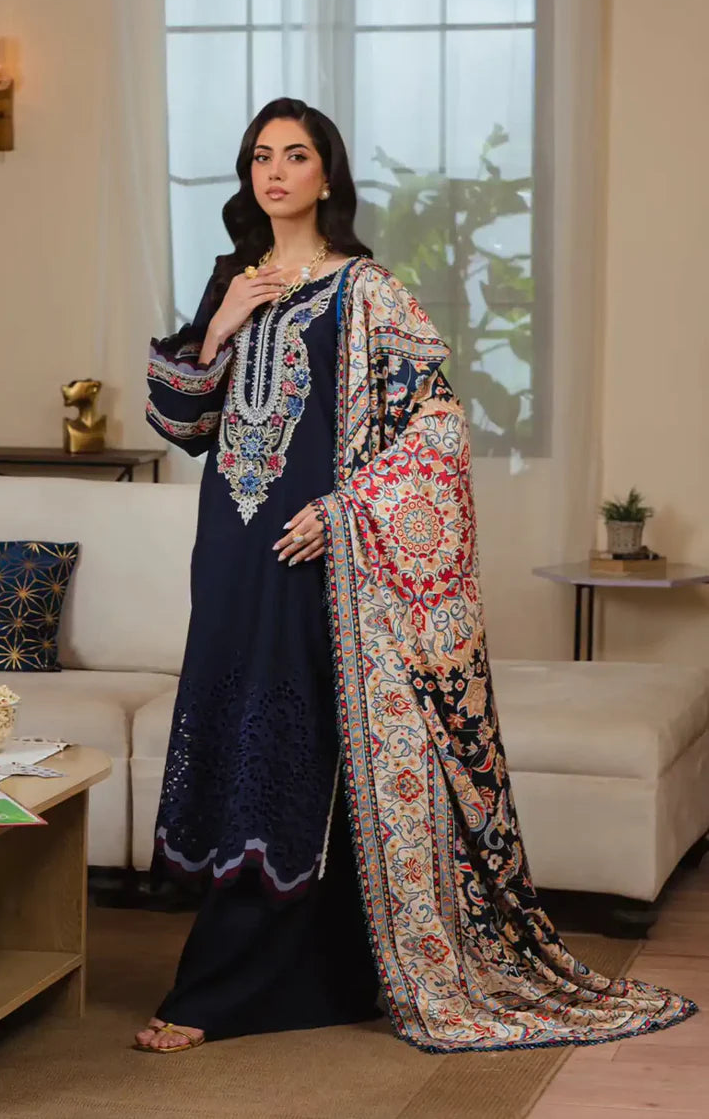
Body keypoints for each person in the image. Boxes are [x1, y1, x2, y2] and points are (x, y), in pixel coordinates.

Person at [137, 97, 696, 1054]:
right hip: (230, 551)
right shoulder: (235, 279)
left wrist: (347, 513)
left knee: (301, 742)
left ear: (327, 173)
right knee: (241, 729)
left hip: (324, 558)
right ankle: (321, 973)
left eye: (295, 155)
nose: (275, 172)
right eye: (261, 156)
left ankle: (221, 986)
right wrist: (220, 326)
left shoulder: (367, 292)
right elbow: (183, 425)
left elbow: (437, 432)